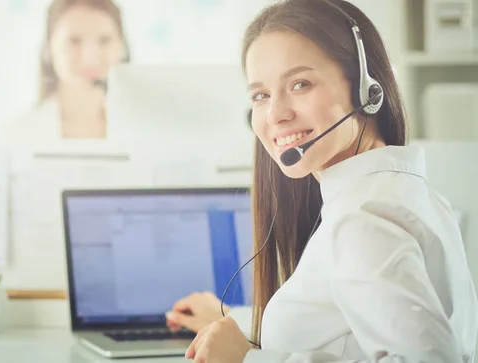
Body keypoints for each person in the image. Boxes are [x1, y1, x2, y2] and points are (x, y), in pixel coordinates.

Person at [166, 0, 478, 362]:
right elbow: (343, 325)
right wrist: (234, 322)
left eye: (300, 83)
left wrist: (248, 359)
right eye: (261, 95)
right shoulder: (397, 193)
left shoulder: (363, 217)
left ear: (366, 89)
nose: (276, 114)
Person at [0, 0, 129, 143]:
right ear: (48, 48)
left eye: (104, 41)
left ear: (122, 47)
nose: (90, 58)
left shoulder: (146, 132)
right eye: (74, 41)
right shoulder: (14, 135)